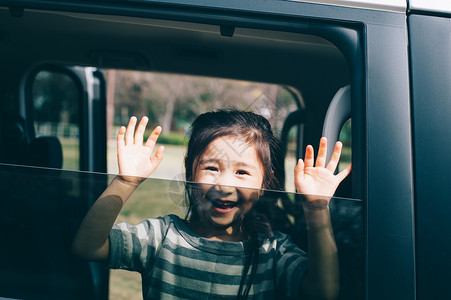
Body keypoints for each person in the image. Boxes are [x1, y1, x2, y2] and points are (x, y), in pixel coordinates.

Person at [72, 109, 351, 299]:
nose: (225, 186)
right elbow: (87, 247)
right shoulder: (161, 236)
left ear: (265, 183)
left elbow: (323, 293)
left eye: (242, 172)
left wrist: (317, 209)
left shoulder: (272, 251)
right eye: (212, 168)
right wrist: (125, 181)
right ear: (191, 173)